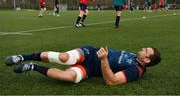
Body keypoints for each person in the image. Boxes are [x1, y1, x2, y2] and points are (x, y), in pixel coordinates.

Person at [5, 45, 161, 86]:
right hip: (89, 52)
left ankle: (33, 66)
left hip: (90, 69)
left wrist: (104, 60)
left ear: (147, 60)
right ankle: (22, 57)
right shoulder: (135, 57)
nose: (142, 49)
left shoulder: (136, 70)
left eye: (145, 50)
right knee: (64, 58)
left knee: (69, 77)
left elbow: (111, 81)